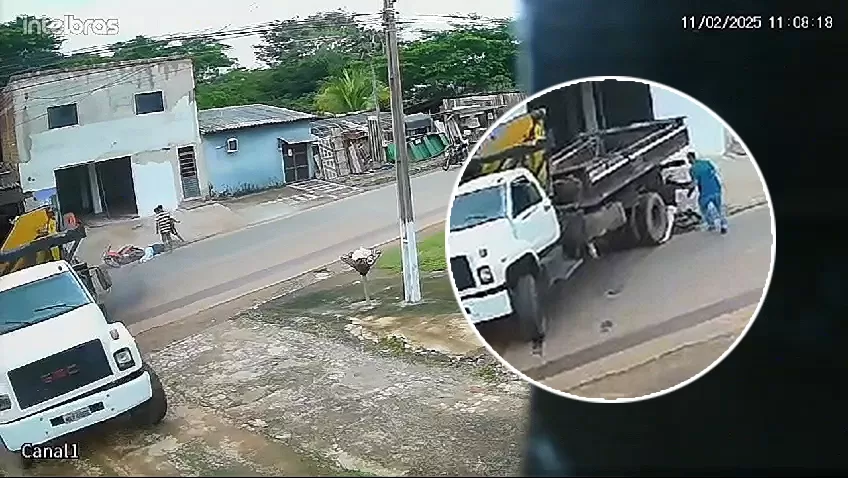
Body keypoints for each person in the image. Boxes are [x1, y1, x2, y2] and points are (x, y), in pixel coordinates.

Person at [687, 151, 728, 234]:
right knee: (719, 208)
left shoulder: (693, 169)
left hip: (705, 192)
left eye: (688, 159)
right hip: (716, 189)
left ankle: (711, 224)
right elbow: (714, 172)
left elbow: (695, 183)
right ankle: (724, 225)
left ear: (691, 158)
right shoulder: (707, 162)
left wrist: (689, 191)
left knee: (703, 208)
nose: (688, 161)